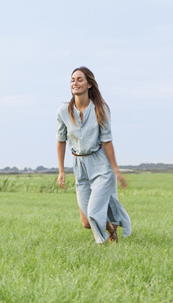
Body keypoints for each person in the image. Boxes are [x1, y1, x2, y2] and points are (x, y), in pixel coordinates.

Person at [56, 66, 131, 244]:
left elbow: (107, 141)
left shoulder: (100, 108)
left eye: (79, 79)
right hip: (79, 166)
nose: (75, 82)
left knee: (93, 212)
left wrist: (116, 170)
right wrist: (61, 170)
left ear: (89, 84)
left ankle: (103, 246)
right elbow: (61, 140)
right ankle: (111, 228)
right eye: (73, 80)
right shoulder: (63, 111)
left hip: (100, 165)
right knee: (86, 222)